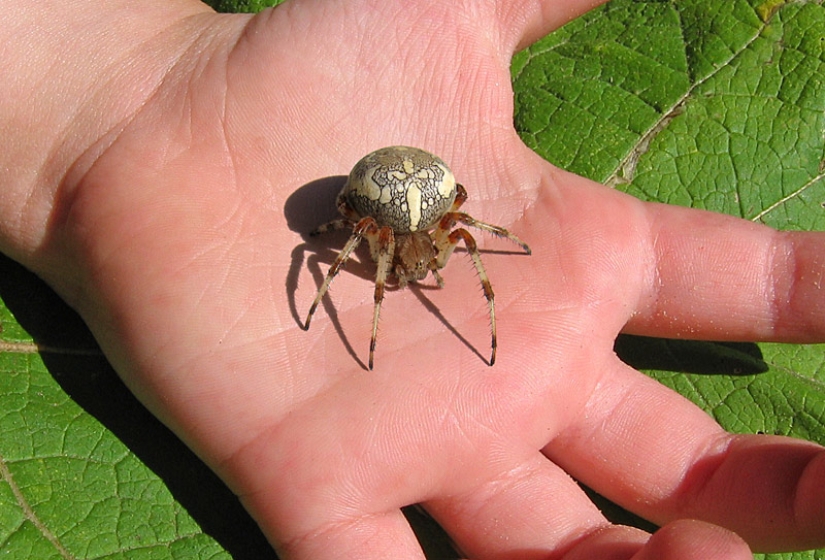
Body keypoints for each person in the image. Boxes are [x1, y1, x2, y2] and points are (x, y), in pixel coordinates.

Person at [2, 0, 823, 558]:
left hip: (418, 186)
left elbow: (471, 228)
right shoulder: (372, 237)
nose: (430, 268)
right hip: (381, 189)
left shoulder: (449, 228)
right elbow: (323, 253)